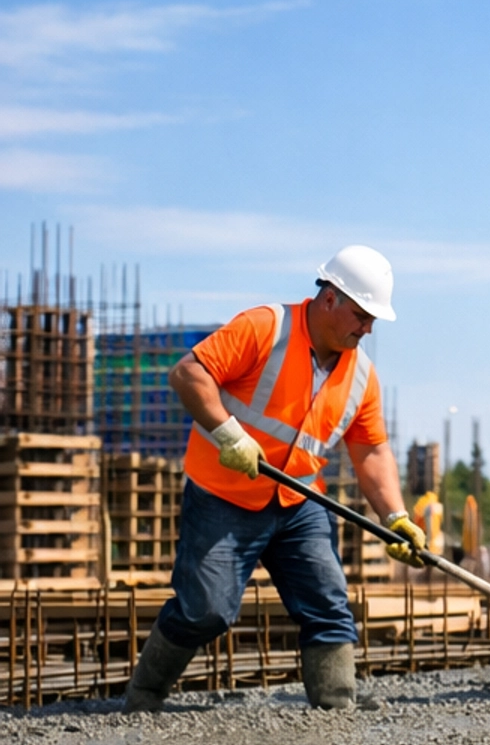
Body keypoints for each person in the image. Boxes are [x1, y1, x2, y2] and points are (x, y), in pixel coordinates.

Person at [122, 246, 429, 716]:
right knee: (205, 611)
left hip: (298, 501)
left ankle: (335, 707)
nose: (367, 329)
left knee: (327, 603)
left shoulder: (361, 375)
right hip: (223, 495)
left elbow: (371, 449)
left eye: (371, 320)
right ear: (330, 298)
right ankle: (143, 696)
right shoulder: (264, 327)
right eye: (362, 315)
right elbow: (188, 374)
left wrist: (396, 515)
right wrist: (229, 434)